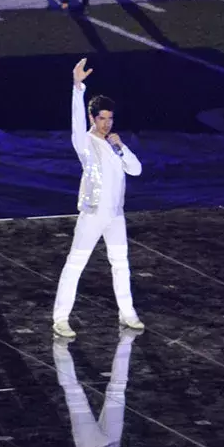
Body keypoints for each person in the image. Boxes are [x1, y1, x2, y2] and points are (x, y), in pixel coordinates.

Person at [52, 59, 145, 339]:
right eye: (102, 118)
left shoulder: (114, 143)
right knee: (76, 264)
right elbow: (76, 122)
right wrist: (77, 87)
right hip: (92, 214)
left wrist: (121, 146)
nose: (107, 123)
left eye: (110, 118)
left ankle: (127, 312)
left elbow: (137, 169)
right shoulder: (86, 143)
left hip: (115, 215)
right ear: (93, 118)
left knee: (121, 263)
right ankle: (60, 318)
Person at [53, 330, 140, 447]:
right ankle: (126, 340)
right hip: (111, 445)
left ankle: (59, 347)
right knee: (117, 389)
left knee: (74, 393)